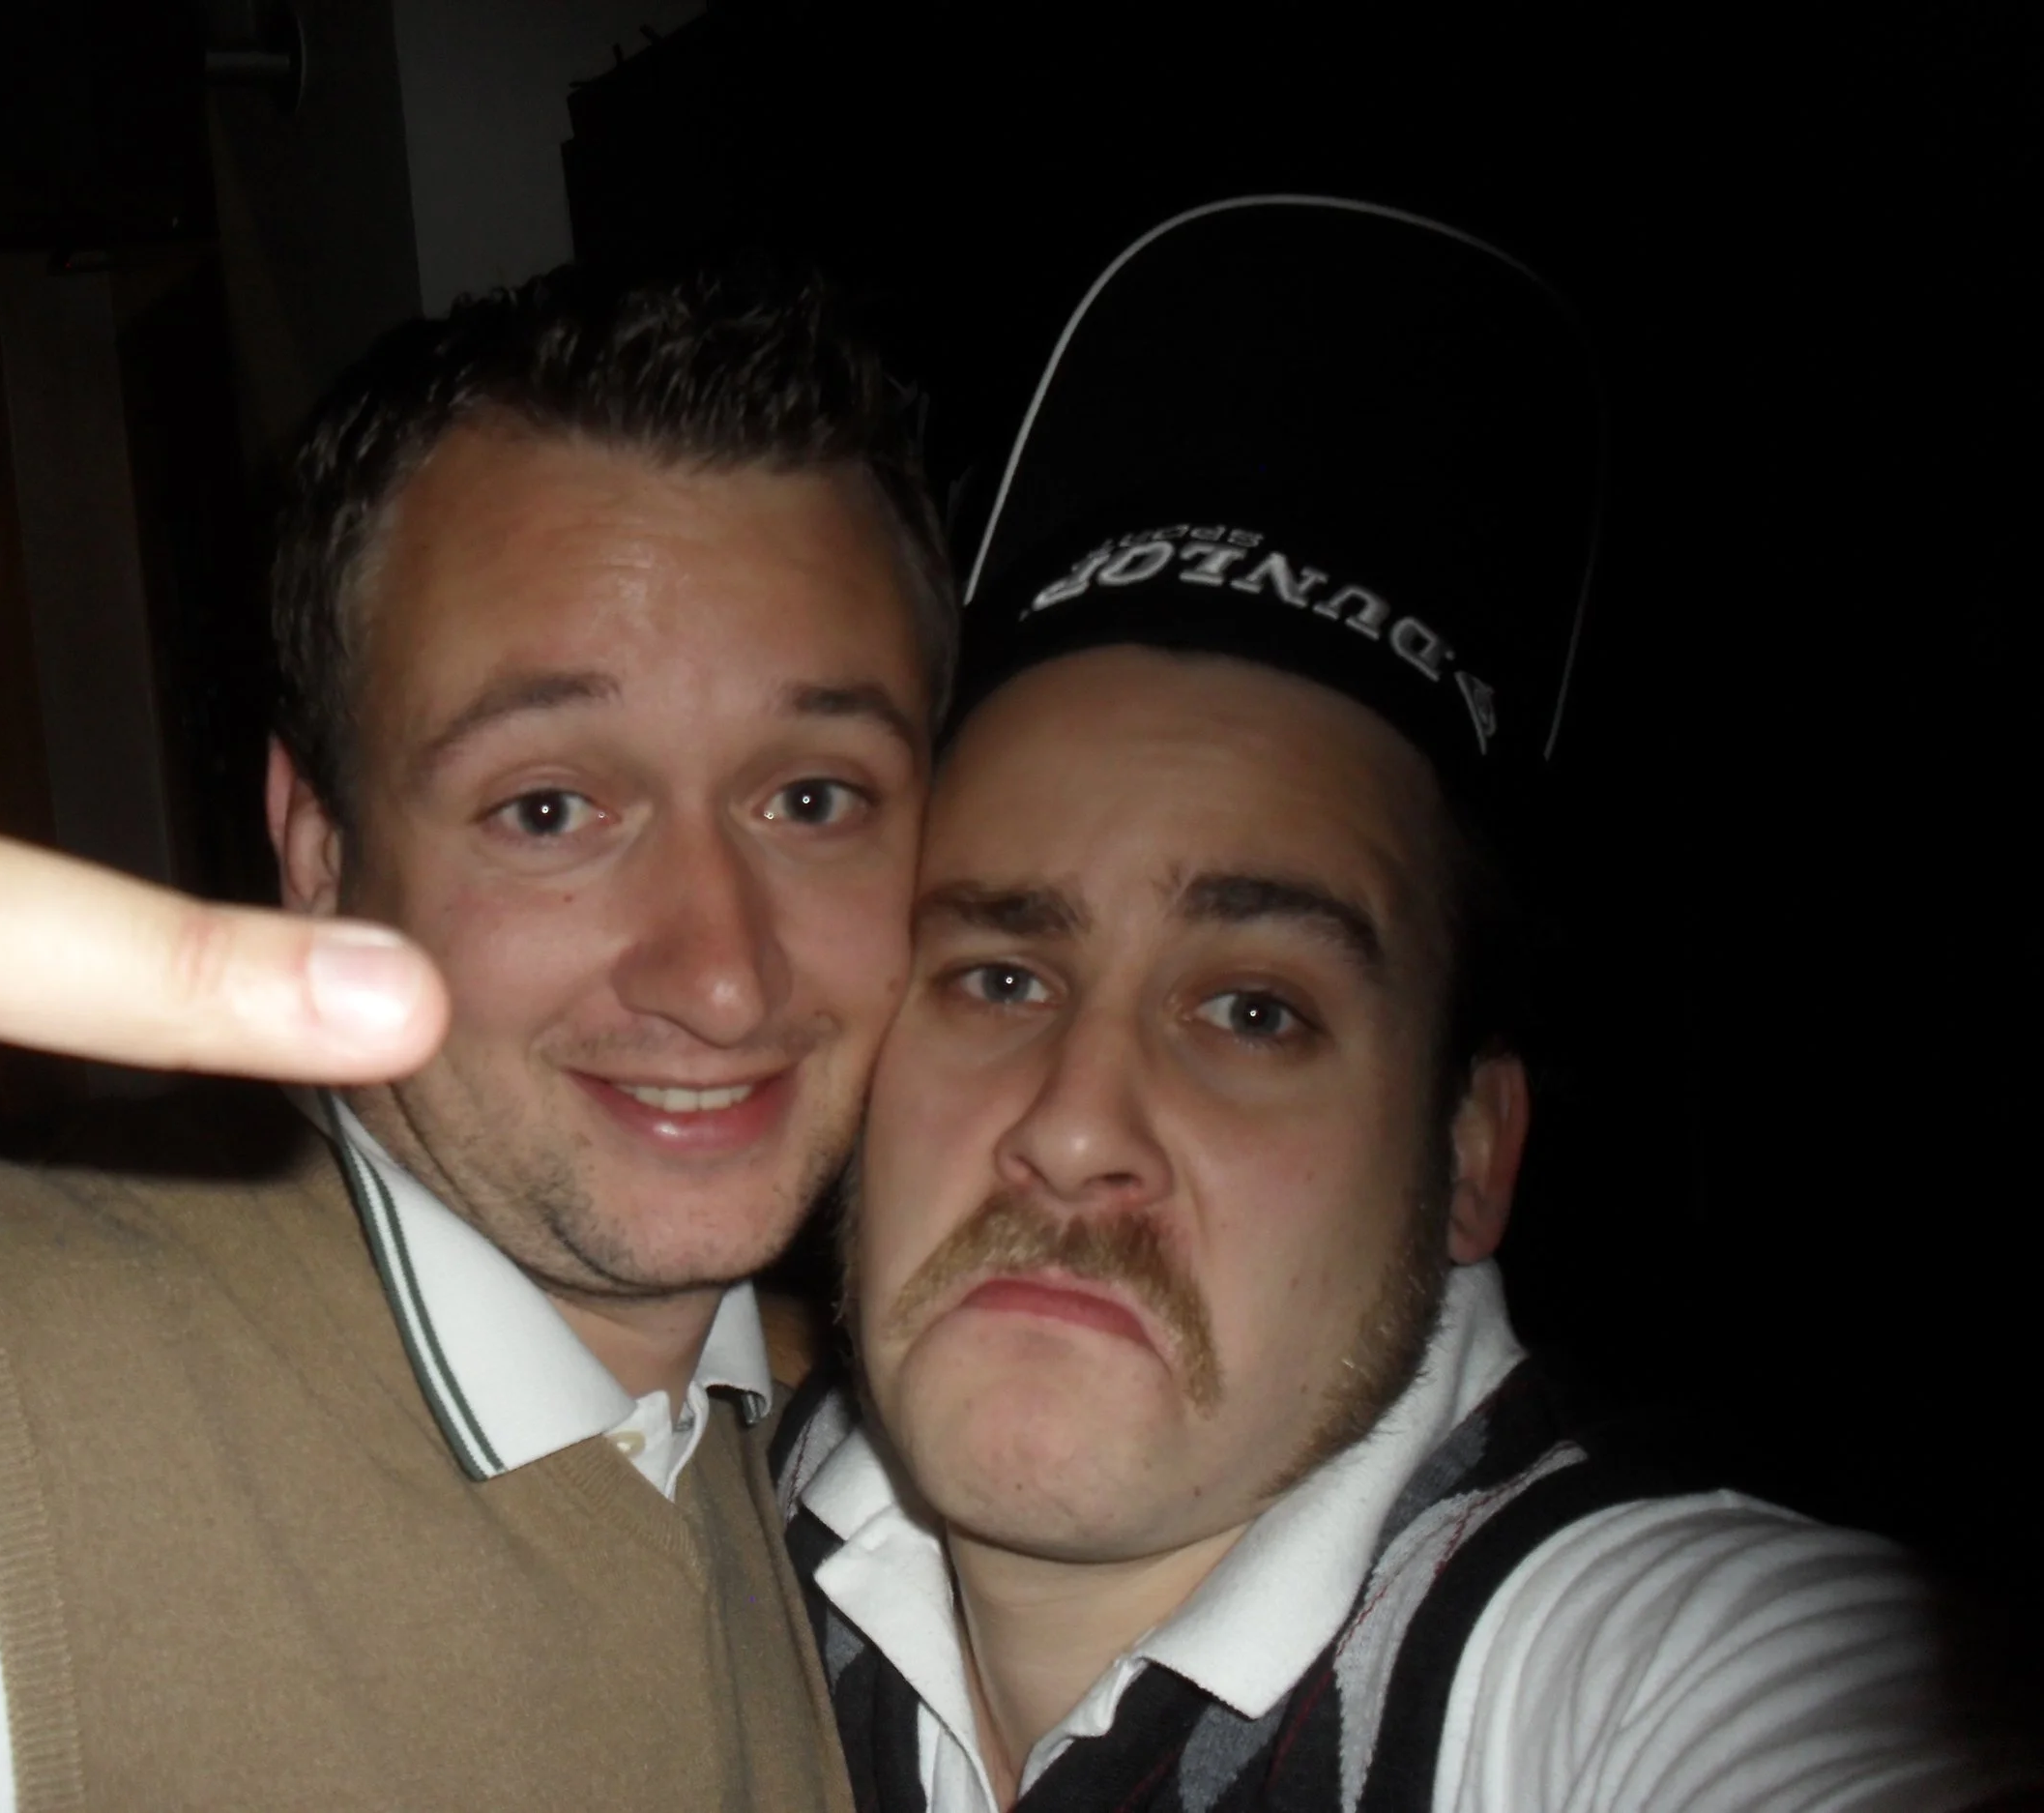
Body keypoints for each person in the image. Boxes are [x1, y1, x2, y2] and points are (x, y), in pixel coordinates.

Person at [0, 265, 954, 1809]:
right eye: (548, 808)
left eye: (813, 798)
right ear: (320, 854)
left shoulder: (837, 1467)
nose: (720, 978)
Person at [773, 200, 2035, 1813]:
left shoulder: (1619, 1671)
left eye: (1253, 1012)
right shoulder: (716, 1512)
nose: (1075, 1126)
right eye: (1004, 976)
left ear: (1468, 1154)